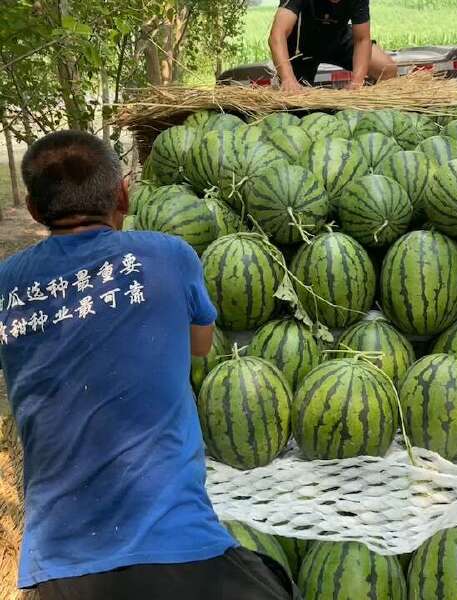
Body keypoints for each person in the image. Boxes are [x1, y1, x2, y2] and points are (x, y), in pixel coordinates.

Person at [0, 131, 296, 600]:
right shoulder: (168, 255)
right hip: (176, 545)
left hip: (57, 563)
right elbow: (200, 346)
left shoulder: (6, 284)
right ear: (123, 194)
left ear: (35, 212)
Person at [269, 0, 397, 92]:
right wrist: (288, 79)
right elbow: (277, 35)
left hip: (338, 39)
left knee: (387, 69)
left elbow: (362, 39)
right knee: (295, 100)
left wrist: (357, 81)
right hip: (303, 47)